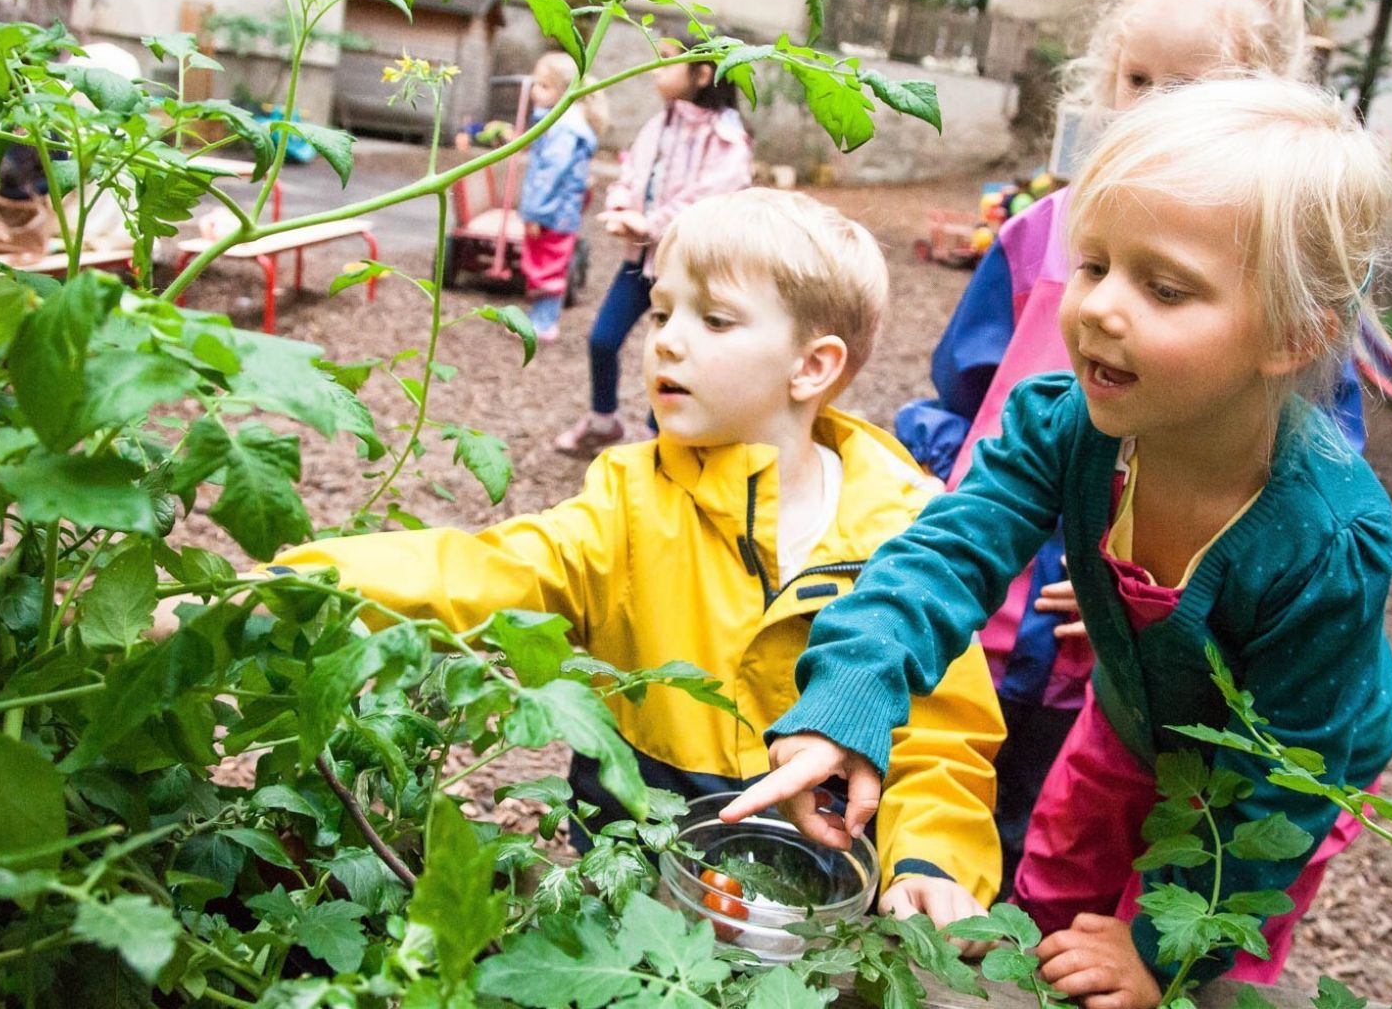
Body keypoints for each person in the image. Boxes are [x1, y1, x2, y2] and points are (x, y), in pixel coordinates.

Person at [727, 78, 1392, 1004]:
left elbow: (1285, 784)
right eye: (1093, 264)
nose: (1098, 308)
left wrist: (1160, 950)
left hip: (1266, 783)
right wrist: (847, 696)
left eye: (1163, 287)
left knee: (1184, 971)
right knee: (1048, 901)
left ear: (1292, 334)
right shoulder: (1066, 426)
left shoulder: (1329, 539)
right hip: (1127, 718)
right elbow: (940, 556)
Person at [274, 189, 1006, 924]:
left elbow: (941, 735)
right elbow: (487, 569)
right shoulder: (629, 500)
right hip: (639, 890)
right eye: (661, 311)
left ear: (812, 366)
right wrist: (282, 591)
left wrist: (930, 860)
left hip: (819, 907)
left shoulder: (906, 530)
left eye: (714, 319)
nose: (666, 340)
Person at [889, 0, 1364, 891]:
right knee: (940, 795)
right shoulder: (1039, 236)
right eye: (1136, 79)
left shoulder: (1273, 296)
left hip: (1103, 637)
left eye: (1187, 92)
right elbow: (963, 395)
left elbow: (1294, 475)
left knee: (1057, 816)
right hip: (988, 591)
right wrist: (948, 480)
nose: (1148, 108)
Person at [551, 45, 753, 454]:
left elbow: (712, 196)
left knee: (675, 354)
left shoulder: (726, 137)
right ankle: (603, 420)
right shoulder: (658, 125)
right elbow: (631, 170)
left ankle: (661, 438)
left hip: (692, 274)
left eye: (667, 61)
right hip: (640, 263)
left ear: (701, 73)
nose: (654, 70)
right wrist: (622, 205)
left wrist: (651, 223)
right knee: (603, 339)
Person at [518, 51, 600, 343]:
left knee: (547, 264)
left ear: (563, 91)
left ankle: (544, 323)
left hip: (551, 212)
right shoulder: (561, 124)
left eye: (544, 85)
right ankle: (541, 318)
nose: (535, 91)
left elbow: (550, 175)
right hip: (559, 211)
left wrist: (535, 213)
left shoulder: (563, 130)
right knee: (547, 262)